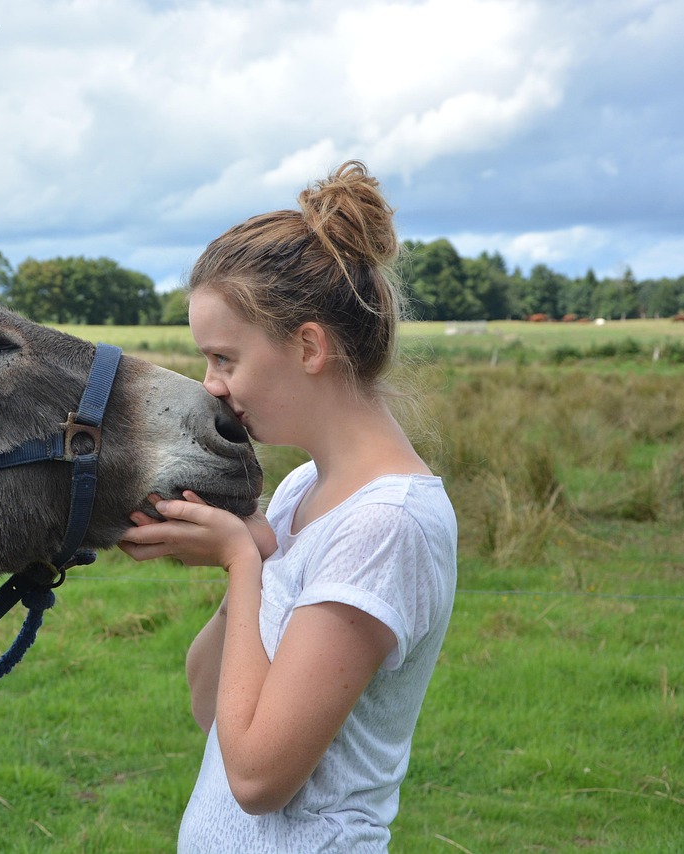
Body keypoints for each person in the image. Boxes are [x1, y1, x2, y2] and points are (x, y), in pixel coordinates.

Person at [119, 160, 457, 852]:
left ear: (307, 346)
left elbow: (257, 778)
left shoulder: (386, 524)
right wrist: (255, 557)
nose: (211, 386)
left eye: (224, 358)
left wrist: (241, 562)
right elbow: (209, 705)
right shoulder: (304, 487)